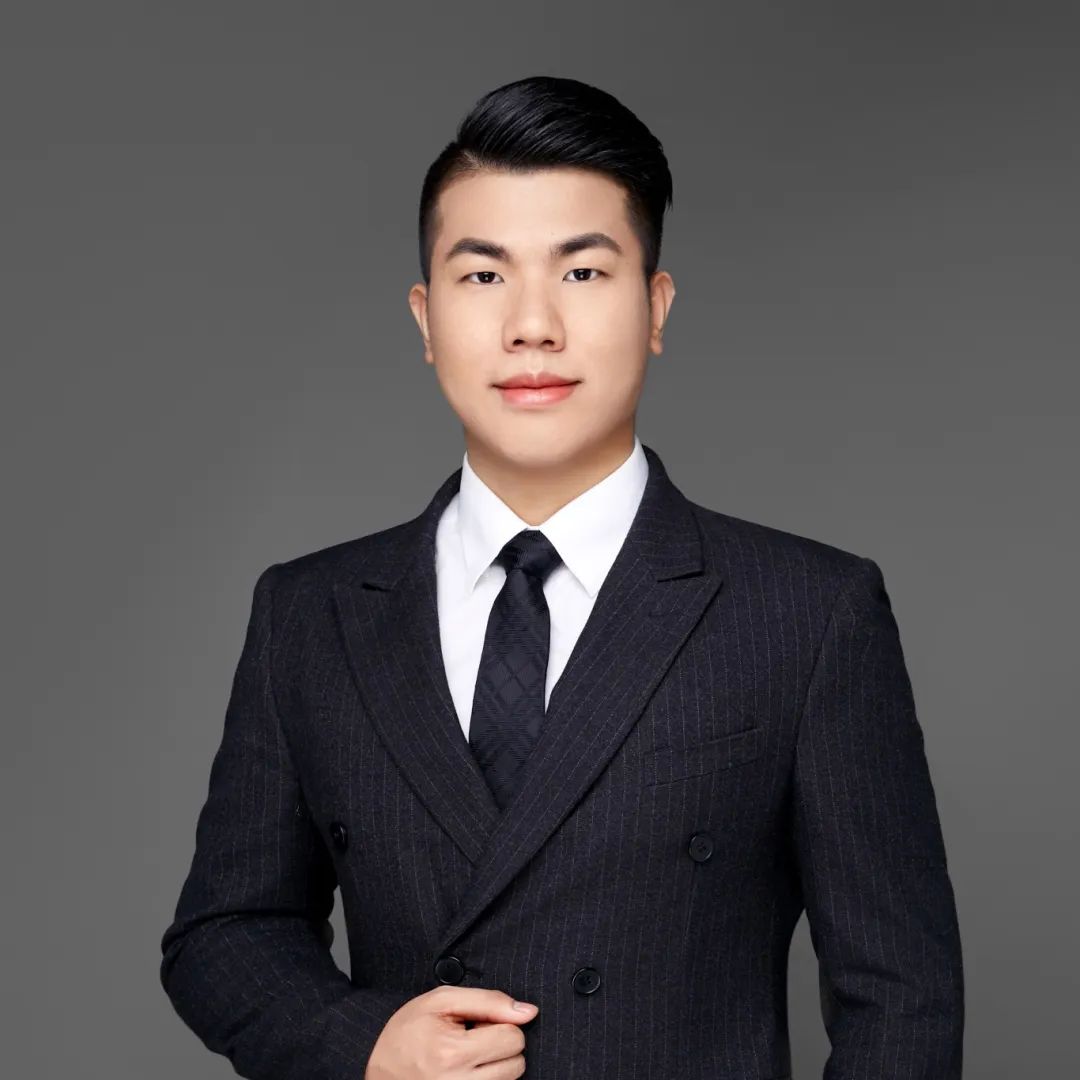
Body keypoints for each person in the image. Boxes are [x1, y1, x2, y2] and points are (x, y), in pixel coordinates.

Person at [159, 74, 965, 1079]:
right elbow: (225, 933)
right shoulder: (310, 613)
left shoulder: (805, 613)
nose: (532, 325)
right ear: (425, 318)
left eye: (582, 272)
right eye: (482, 275)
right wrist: (363, 1043)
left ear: (655, 305)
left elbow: (903, 1000)